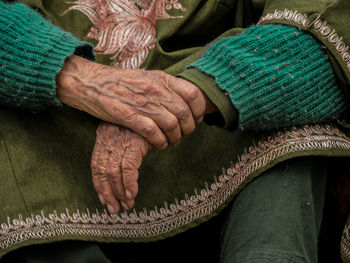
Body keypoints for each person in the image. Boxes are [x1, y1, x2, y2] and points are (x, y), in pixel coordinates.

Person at [0, 0, 350, 262]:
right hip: (45, 124)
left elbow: (324, 21)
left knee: (292, 113)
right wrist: (81, 81)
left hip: (220, 115)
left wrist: (177, 102)